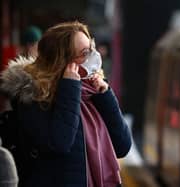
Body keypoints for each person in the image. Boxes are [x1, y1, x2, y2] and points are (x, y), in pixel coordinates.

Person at [0, 21, 131, 187]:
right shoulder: (34, 96)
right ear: (62, 62)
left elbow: (123, 146)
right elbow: (60, 143)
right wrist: (69, 88)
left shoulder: (92, 91)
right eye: (85, 53)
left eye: (91, 48)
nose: (94, 56)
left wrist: (105, 95)